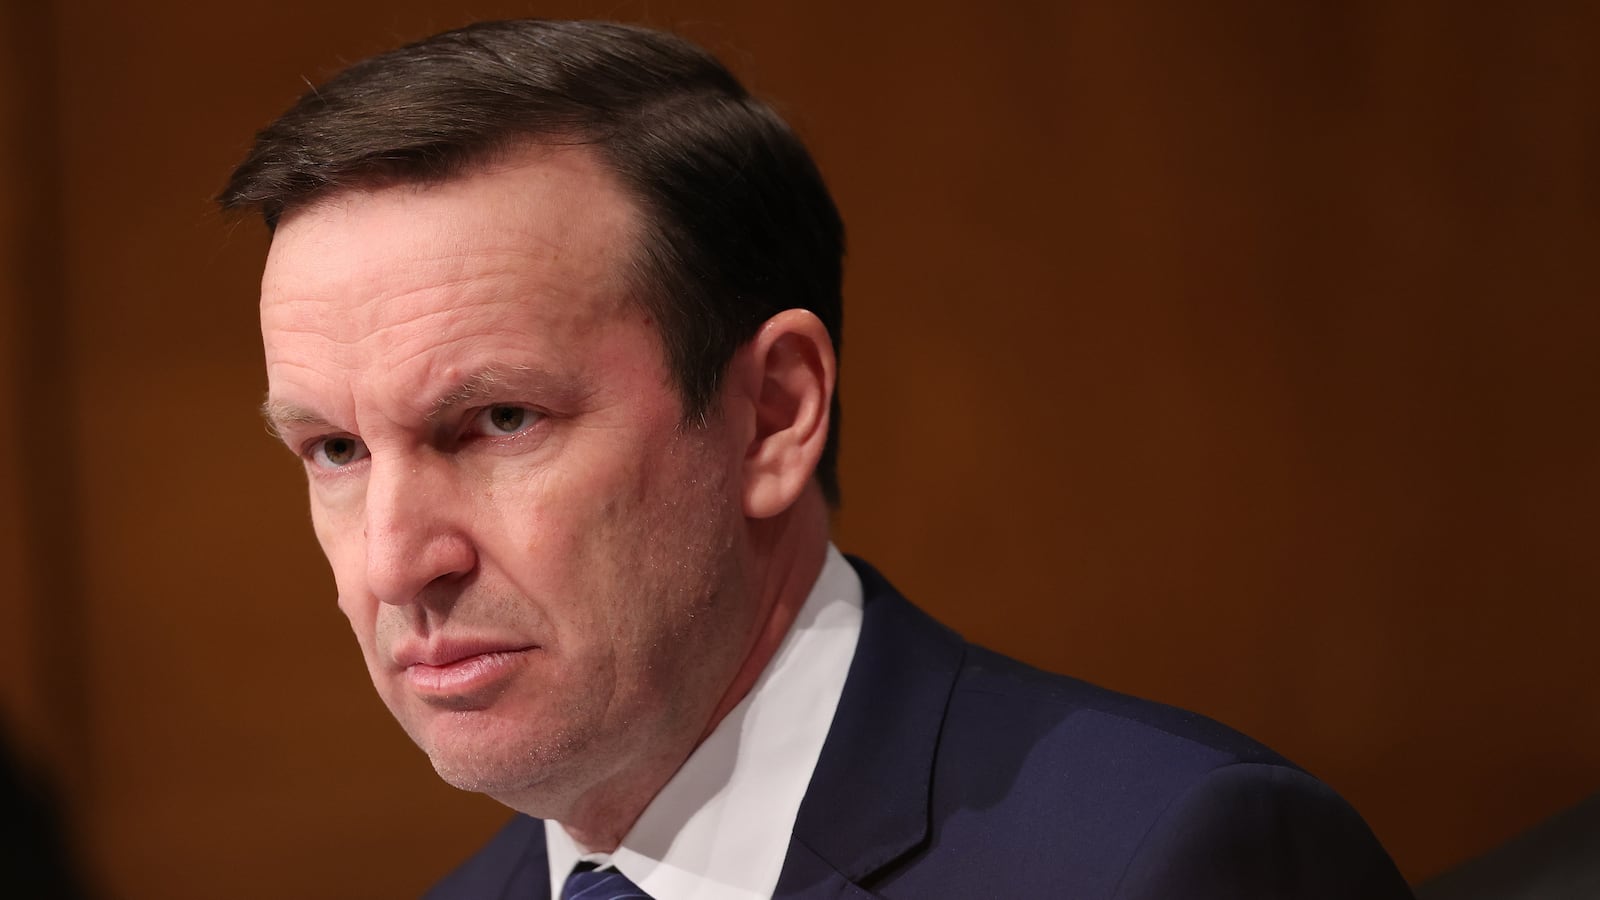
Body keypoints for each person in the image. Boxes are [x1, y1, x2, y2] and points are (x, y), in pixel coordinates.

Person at [222, 19, 1414, 900]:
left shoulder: (1166, 859)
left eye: (497, 422)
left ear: (774, 415)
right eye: (332, 447)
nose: (393, 561)